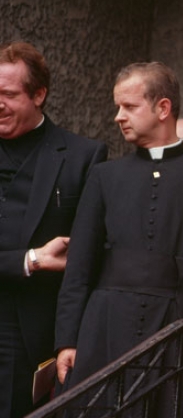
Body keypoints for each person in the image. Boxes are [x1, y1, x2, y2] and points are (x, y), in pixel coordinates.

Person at [54, 62, 183, 396]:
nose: (118, 116)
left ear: (163, 108)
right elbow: (79, 268)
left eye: (129, 106)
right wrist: (67, 340)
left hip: (181, 319)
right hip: (107, 323)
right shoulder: (104, 176)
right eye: (118, 107)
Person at [0, 42, 106, 418]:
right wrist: (30, 260)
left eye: (8, 94)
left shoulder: (83, 156)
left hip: (28, 331)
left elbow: (90, 256)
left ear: (39, 94)